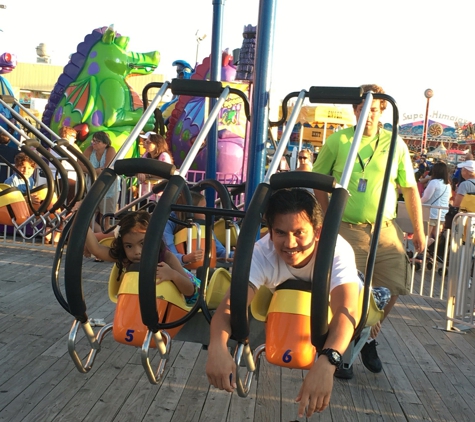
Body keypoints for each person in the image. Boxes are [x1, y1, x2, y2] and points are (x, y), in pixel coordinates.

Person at [205, 189, 389, 417]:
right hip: (288, 295)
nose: (290, 243)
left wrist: (327, 363)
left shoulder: (337, 251)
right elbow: (231, 305)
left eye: (299, 233)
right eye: (280, 233)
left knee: (365, 310)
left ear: (318, 232)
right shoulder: (262, 252)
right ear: (270, 233)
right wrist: (218, 347)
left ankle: (375, 303)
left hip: (336, 293)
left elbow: (345, 310)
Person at [312, 84, 425, 376]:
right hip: (347, 227)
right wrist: (327, 219)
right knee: (343, 289)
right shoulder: (338, 140)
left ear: (382, 110)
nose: (368, 114)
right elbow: (319, 181)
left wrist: (419, 231)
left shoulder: (395, 143)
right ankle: (341, 349)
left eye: (373, 109)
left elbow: (409, 188)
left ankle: (366, 337)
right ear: (355, 110)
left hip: (384, 229)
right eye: (362, 108)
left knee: (394, 285)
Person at [84, 210, 201, 305]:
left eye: (142, 243)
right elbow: (97, 250)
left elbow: (190, 291)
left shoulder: (166, 257)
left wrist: (172, 274)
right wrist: (80, 219)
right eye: (129, 246)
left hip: (190, 296)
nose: (137, 252)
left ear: (154, 240)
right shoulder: (126, 258)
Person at [164, 191, 233, 265]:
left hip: (197, 267)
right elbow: (168, 252)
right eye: (203, 207)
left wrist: (234, 255)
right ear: (192, 208)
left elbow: (219, 250)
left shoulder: (202, 226)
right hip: (174, 268)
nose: (206, 211)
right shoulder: (169, 222)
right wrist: (185, 258)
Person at [82, 131, 120, 232]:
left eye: (97, 141)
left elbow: (107, 167)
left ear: (105, 143)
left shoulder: (110, 150)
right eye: (93, 140)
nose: (93, 143)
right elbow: (80, 165)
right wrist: (95, 171)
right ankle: (102, 235)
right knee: (87, 217)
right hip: (92, 187)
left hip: (109, 188)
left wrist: (92, 171)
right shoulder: (90, 150)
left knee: (105, 220)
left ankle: (104, 236)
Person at [50, 126, 83, 203]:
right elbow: (82, 157)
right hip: (69, 177)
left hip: (55, 177)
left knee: (59, 200)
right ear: (67, 135)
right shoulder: (68, 146)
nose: (75, 139)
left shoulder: (54, 144)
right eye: (73, 136)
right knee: (70, 201)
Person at [136, 132, 173, 201]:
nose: (145, 145)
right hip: (144, 194)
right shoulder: (146, 155)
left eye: (148, 142)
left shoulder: (164, 156)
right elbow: (140, 168)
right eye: (145, 142)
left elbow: (166, 173)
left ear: (157, 144)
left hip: (158, 195)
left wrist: (147, 175)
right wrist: (139, 173)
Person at [420, 161, 451, 239]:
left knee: (426, 235)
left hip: (431, 213)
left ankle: (423, 250)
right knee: (436, 237)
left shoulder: (434, 182)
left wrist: (416, 202)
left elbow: (426, 198)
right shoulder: (448, 184)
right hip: (442, 213)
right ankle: (432, 250)